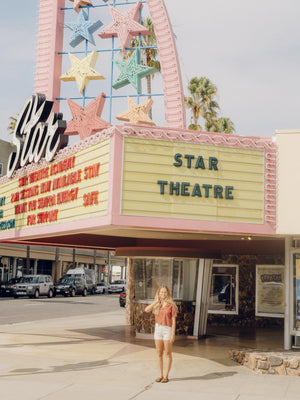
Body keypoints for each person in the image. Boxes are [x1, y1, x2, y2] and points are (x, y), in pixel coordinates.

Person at [145, 285, 178, 383]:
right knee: (159, 353)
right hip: (158, 329)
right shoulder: (157, 304)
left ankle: (166, 376)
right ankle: (160, 375)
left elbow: (173, 321)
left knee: (168, 353)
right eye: (161, 292)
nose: (163, 294)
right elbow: (146, 310)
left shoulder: (171, 305)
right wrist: (156, 301)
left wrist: (173, 334)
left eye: (165, 292)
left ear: (168, 294)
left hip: (167, 329)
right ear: (158, 294)